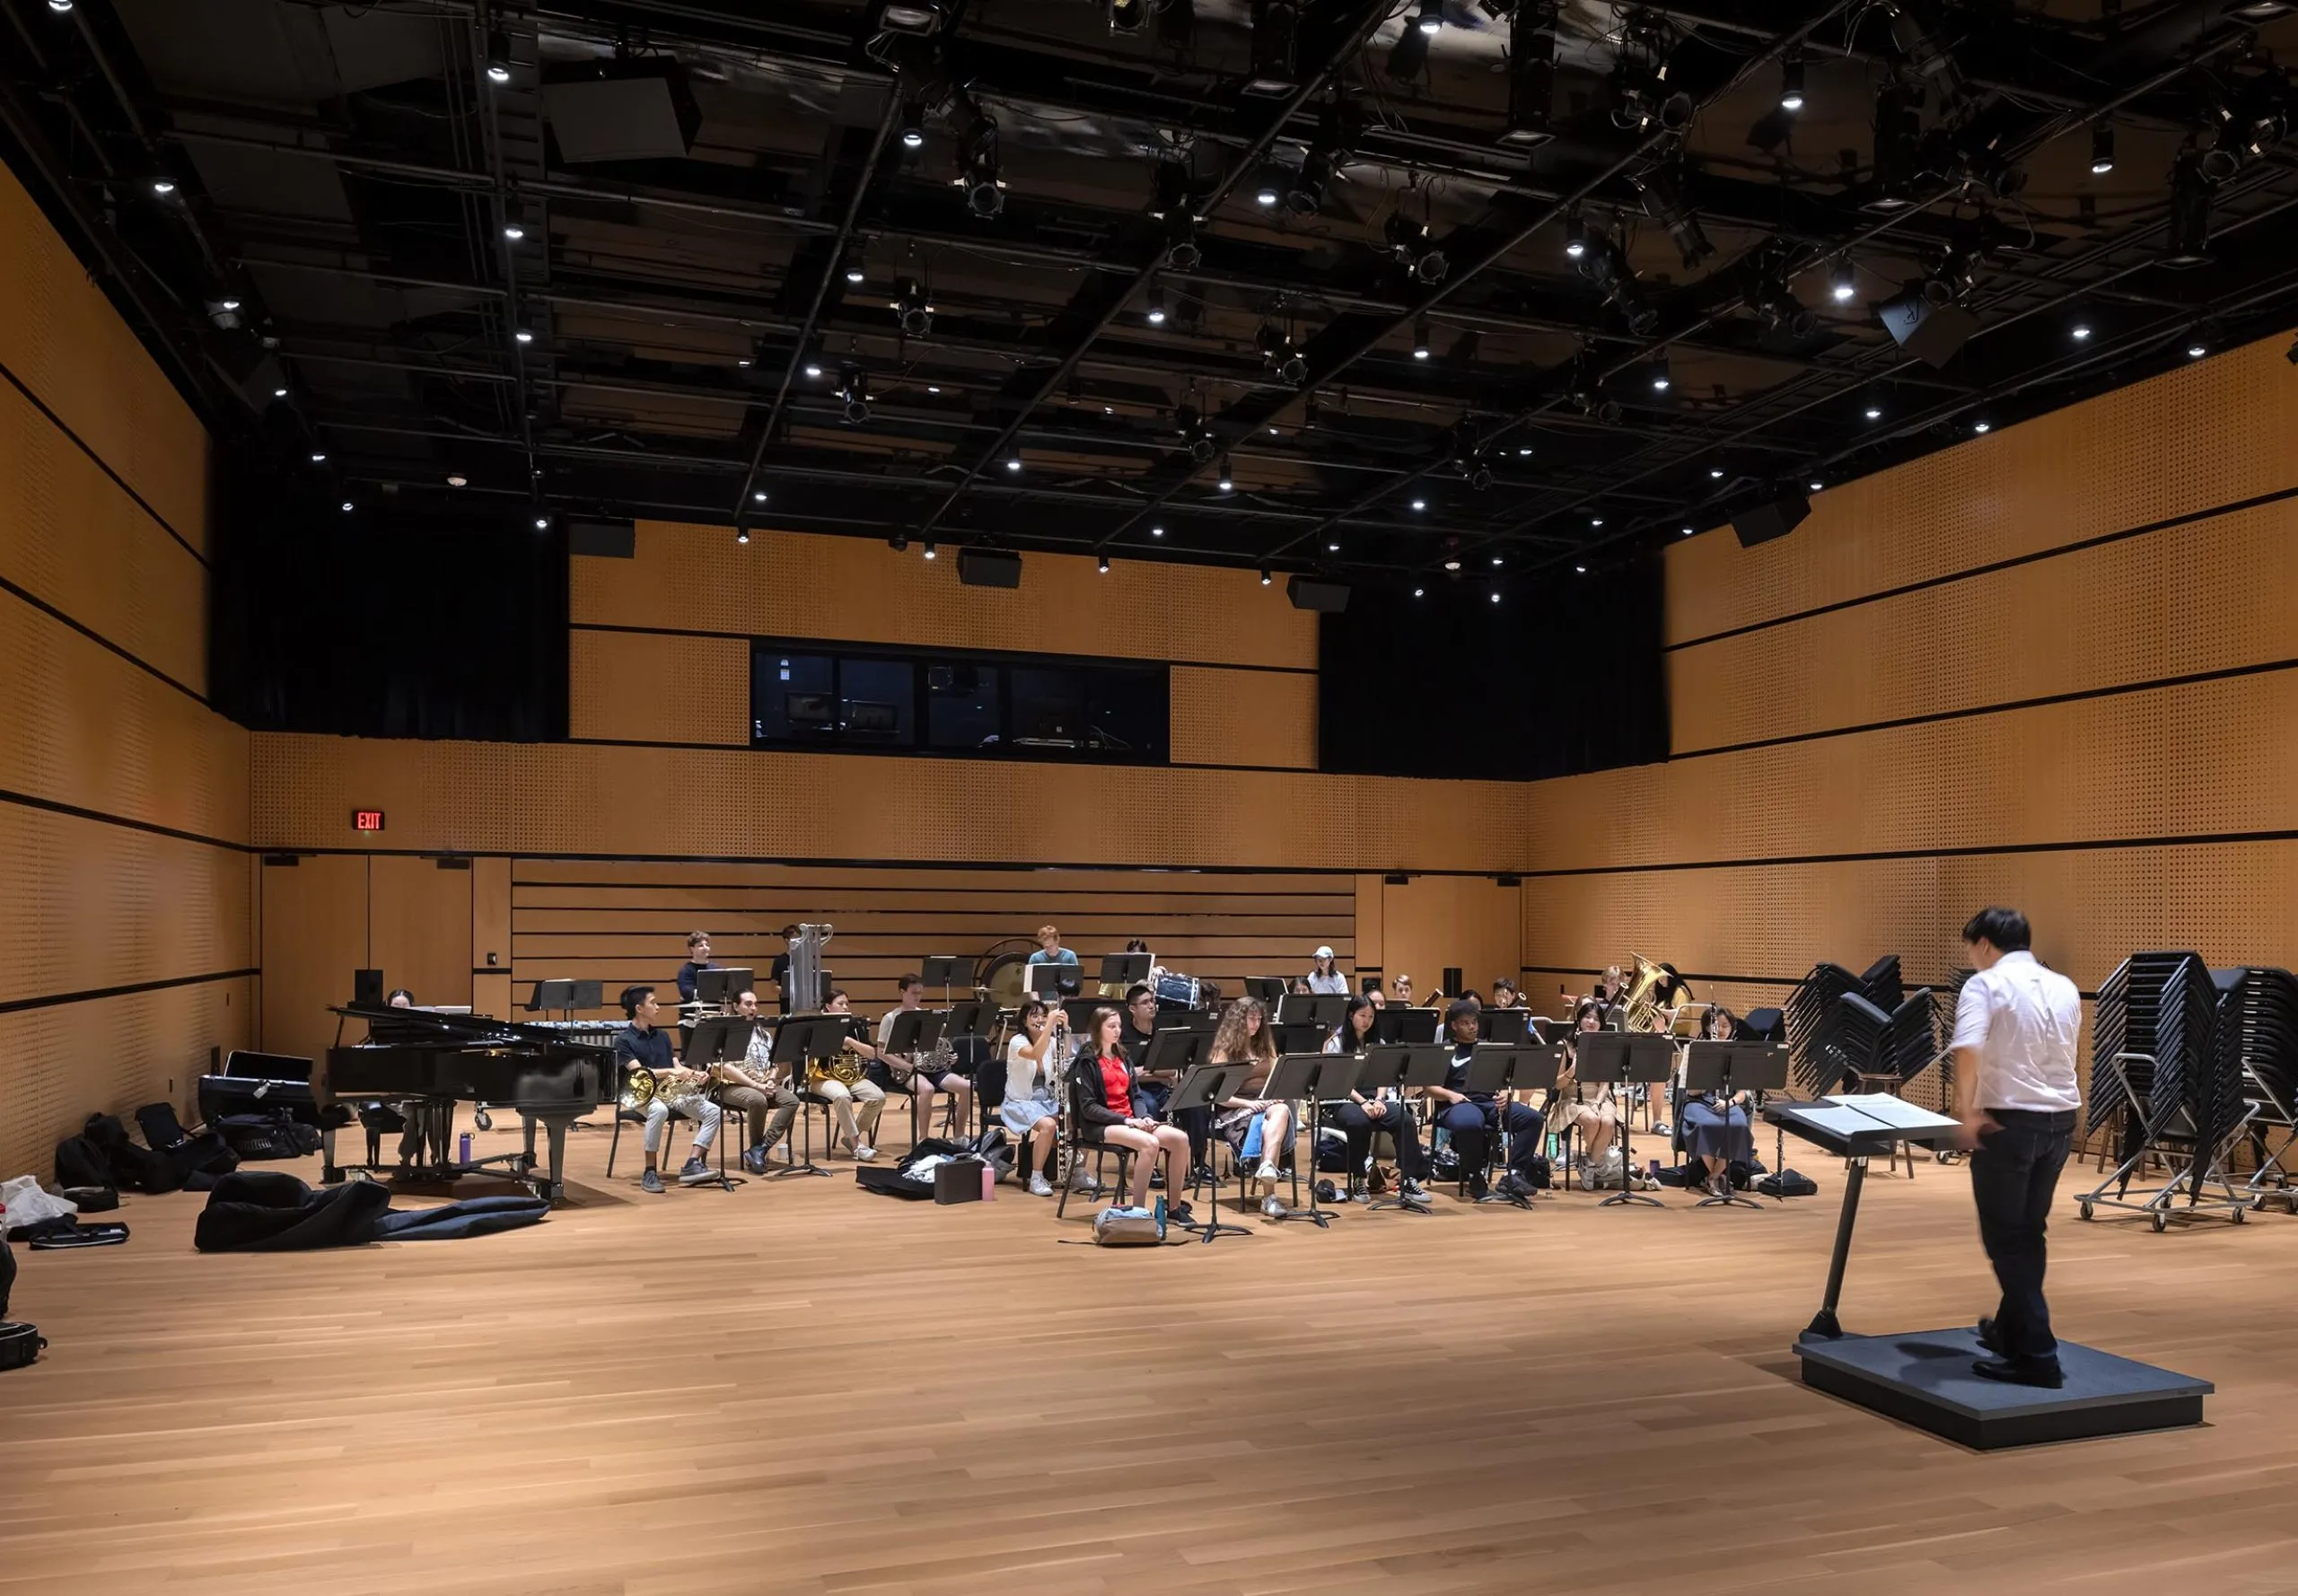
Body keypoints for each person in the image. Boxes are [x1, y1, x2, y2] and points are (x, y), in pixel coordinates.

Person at [1949, 906, 2083, 1389]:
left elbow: (1968, 1047)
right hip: (2061, 1122)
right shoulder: (2064, 985)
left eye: (1972, 947)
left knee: (2005, 1239)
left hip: (2009, 1123)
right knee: (2030, 1231)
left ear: (1984, 944)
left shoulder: (1984, 985)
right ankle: (2010, 1331)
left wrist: (1967, 1113)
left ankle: (2040, 1357)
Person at [1068, 1006, 1193, 1212]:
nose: (1117, 1030)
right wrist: (1126, 1121)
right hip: (1100, 1125)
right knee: (1150, 1144)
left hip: (1130, 1120)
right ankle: (1139, 1210)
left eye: (1119, 1026)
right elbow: (1089, 1108)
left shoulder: (1123, 1056)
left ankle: (1174, 1208)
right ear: (1098, 1029)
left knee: (1180, 1140)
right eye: (1111, 1026)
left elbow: (1135, 1095)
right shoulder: (1087, 1061)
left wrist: (1143, 1116)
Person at [1424, 1000, 1544, 1202]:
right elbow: (1428, 1088)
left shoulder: (1489, 1048)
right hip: (1458, 1104)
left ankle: (1513, 1174)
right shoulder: (1445, 1049)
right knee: (1470, 1122)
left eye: (1474, 1022)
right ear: (1453, 1025)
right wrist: (1450, 1095)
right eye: (1465, 1023)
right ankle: (1474, 1175)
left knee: (1533, 1119)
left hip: (1490, 1103)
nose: (1472, 1027)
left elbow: (1508, 1079)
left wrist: (1507, 1093)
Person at [1323, 995, 1431, 1204]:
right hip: (1346, 1100)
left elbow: (1384, 1077)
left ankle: (1408, 1178)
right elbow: (1340, 1082)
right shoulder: (1337, 1042)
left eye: (1371, 1016)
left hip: (1374, 1098)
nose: (1367, 1020)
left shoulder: (1378, 1042)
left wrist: (1380, 1100)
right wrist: (1363, 1102)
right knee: (1358, 1121)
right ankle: (1359, 1178)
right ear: (1351, 1015)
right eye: (1362, 1015)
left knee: (1405, 1119)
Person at [614, 985, 720, 1193]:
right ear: (639, 1008)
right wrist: (672, 1072)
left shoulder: (662, 1036)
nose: (658, 1007)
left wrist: (692, 1073)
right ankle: (650, 1171)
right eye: (653, 1002)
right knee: (659, 1110)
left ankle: (692, 1164)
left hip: (667, 1092)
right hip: (638, 1095)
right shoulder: (623, 1040)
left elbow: (675, 1065)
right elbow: (640, 1073)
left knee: (713, 1111)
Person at [1209, 998, 1290, 1216]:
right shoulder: (1224, 1051)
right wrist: (1250, 1104)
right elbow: (1219, 1096)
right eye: (1250, 1018)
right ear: (1238, 1020)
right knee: (1266, 1128)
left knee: (1282, 1110)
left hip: (1265, 1103)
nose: (1255, 1023)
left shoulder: (1265, 1044)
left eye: (1259, 1019)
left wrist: (1276, 1096)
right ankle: (1269, 1197)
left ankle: (1267, 1169)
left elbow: (1276, 1077)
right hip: (1234, 1108)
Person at [877, 973, 972, 1135]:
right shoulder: (891, 1018)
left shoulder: (927, 1016)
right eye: (914, 992)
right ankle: (923, 1139)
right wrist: (908, 1065)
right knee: (927, 1089)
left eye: (920, 993)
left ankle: (959, 1137)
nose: (918, 997)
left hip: (933, 1069)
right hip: (906, 1070)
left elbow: (939, 1045)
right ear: (902, 992)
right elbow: (880, 1052)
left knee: (967, 1087)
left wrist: (949, 1057)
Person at [1680, 1005, 1754, 1197]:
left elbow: (1742, 1093)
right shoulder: (1694, 1051)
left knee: (1738, 1125)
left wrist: (1730, 1103)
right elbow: (1691, 1091)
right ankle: (1717, 1176)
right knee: (1704, 1125)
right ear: (1706, 1027)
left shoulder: (1738, 1053)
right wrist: (1707, 1079)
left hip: (1728, 1102)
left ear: (1732, 1029)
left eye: (1725, 1026)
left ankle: (1713, 1176)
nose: (1720, 1030)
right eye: (1715, 1025)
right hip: (1699, 1102)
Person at [722, 989, 797, 1173]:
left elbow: (775, 1063)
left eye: (756, 1004)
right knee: (757, 1099)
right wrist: (757, 1086)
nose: (753, 1008)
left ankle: (760, 1149)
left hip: (763, 1084)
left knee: (792, 1101)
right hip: (732, 1085)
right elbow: (725, 1068)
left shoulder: (764, 1034)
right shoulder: (727, 1033)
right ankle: (756, 1152)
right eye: (748, 1004)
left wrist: (771, 1080)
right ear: (735, 1006)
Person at [1550, 1000, 1624, 1188]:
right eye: (1587, 1017)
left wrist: (1598, 1103)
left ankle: (1589, 1164)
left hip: (1599, 1098)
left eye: (1596, 1019)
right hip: (1572, 1099)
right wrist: (1571, 1071)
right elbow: (1557, 1085)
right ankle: (1598, 1163)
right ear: (1578, 1019)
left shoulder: (1603, 1046)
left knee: (1607, 1121)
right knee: (1592, 1120)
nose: (1591, 1022)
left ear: (1601, 1024)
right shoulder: (1565, 1045)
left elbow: (1605, 1083)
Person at [811, 989, 885, 1161]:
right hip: (822, 1077)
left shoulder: (854, 1025)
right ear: (828, 1007)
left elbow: (871, 1054)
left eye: (846, 1004)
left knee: (878, 1097)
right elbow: (810, 1054)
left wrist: (850, 1041)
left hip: (852, 1076)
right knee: (842, 1096)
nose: (845, 1007)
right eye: (840, 1004)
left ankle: (849, 1138)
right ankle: (857, 1144)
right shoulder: (817, 1025)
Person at [1003, 999, 1067, 1197]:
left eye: (1043, 1015)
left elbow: (1065, 1059)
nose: (1039, 1019)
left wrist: (1066, 1029)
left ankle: (1077, 1172)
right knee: (1048, 1126)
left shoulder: (1051, 1041)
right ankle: (1037, 1177)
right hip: (1020, 1101)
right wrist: (1049, 1026)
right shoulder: (1017, 1042)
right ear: (1024, 1020)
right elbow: (1034, 1053)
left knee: (1080, 1117)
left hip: (1046, 1098)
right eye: (1034, 1015)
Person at [1026, 924, 1081, 996]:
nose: (1049, 949)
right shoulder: (1035, 958)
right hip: (1043, 1003)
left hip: (1065, 1002)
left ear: (1057, 940)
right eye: (1046, 946)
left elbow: (1076, 985)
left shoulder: (1070, 956)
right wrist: (1038, 1004)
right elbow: (1030, 986)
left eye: (1051, 946)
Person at [675, 931, 719, 1004]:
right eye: (701, 946)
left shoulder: (717, 969)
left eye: (707, 945)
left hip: (714, 1012)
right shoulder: (685, 971)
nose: (705, 948)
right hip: (692, 1014)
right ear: (692, 949)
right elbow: (687, 993)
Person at [767, 924, 800, 1013]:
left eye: (800, 938)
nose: (798, 941)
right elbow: (773, 987)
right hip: (787, 1007)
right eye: (795, 938)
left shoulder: (807, 960)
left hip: (805, 1006)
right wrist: (792, 990)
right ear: (787, 940)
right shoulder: (780, 961)